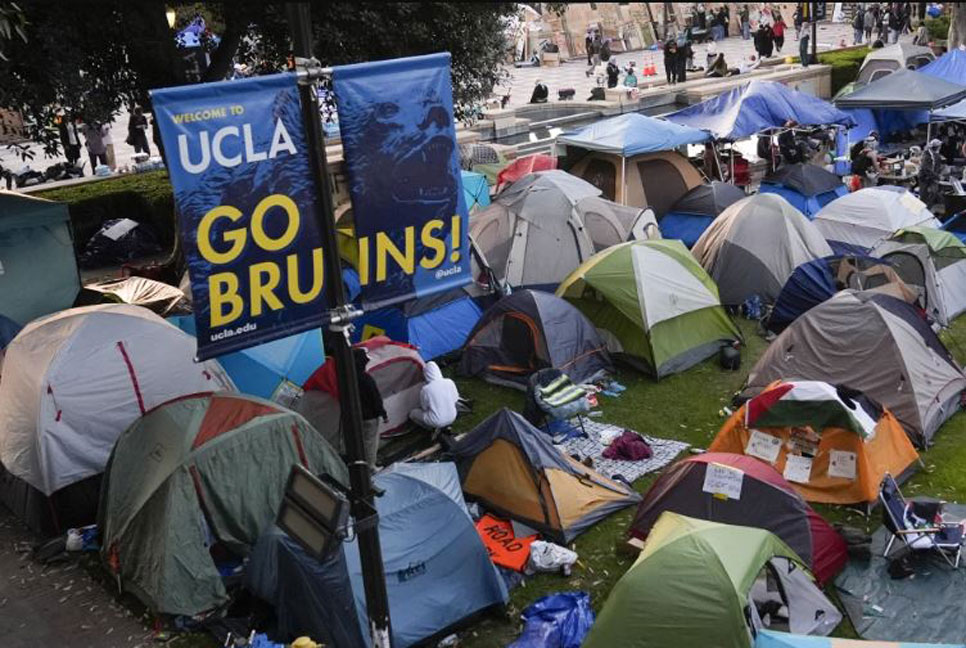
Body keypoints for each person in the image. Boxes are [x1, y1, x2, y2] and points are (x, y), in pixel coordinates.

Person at [351, 347, 388, 469]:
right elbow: (375, 398)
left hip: (356, 415)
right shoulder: (367, 379)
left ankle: (358, 462)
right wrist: (383, 413)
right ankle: (370, 466)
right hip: (370, 416)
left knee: (359, 441)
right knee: (370, 442)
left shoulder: (349, 378)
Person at [409, 361, 460, 432]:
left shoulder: (426, 389)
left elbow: (424, 407)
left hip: (435, 421)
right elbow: (455, 399)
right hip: (453, 416)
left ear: (426, 374)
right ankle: (445, 426)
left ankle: (430, 429)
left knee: (412, 414)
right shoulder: (449, 382)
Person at [919, 138, 943, 207]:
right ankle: (923, 208)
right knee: (923, 195)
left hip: (931, 177)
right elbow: (926, 169)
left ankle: (929, 206)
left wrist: (938, 175)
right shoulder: (926, 156)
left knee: (934, 191)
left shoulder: (936, 155)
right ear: (937, 147)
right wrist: (937, 176)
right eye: (939, 146)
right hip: (924, 177)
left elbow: (937, 166)